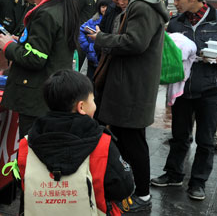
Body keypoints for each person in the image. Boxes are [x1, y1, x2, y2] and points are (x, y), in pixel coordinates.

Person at [88, 0, 169, 212]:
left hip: (132, 85)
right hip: (132, 82)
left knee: (133, 140)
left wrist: (101, 38)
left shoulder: (142, 5)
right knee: (128, 137)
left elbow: (135, 42)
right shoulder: (143, 1)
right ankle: (132, 188)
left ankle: (143, 195)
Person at [151, 0, 217, 201]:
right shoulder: (176, 23)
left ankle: (198, 182)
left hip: (210, 89)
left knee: (206, 139)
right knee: (179, 136)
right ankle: (173, 174)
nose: (175, 3)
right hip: (182, 88)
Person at [17, 70, 134, 215]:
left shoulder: (27, 144)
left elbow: (22, 182)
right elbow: (123, 188)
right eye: (92, 100)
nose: (95, 105)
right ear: (81, 107)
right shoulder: (102, 144)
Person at [0, 0, 80, 138]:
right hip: (54, 93)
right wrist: (22, 41)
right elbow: (49, 47)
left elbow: (35, 58)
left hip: (37, 98)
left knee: (32, 152)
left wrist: (8, 47)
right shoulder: (63, 8)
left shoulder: (45, 14)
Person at [79, 0, 109, 81]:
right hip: (92, 57)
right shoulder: (93, 21)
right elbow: (81, 30)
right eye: (102, 7)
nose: (105, 9)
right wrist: (86, 46)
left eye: (107, 7)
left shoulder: (113, 20)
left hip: (104, 59)